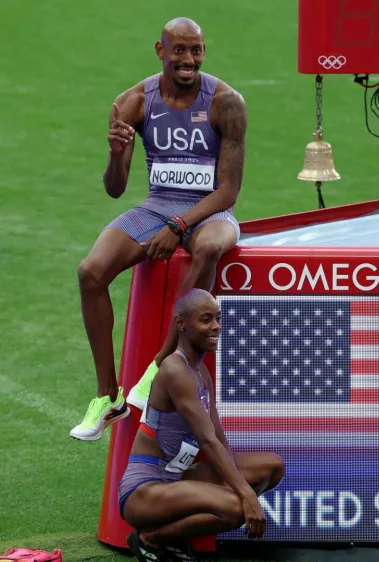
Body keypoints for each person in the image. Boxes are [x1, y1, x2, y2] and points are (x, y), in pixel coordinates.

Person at [72, 17, 246, 441]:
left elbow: (228, 192)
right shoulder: (133, 102)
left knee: (207, 249)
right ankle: (106, 395)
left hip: (209, 214)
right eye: (179, 51)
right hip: (156, 207)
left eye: (197, 50)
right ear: (160, 50)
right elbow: (115, 189)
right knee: (90, 273)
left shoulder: (227, 103)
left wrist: (179, 224)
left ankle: (158, 366)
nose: (189, 60)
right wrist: (116, 155)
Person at [118, 288, 284, 561]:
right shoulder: (174, 370)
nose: (216, 326)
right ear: (181, 324)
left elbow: (218, 438)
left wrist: (238, 486)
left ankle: (173, 536)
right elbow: (206, 439)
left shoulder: (201, 372)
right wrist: (247, 497)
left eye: (218, 318)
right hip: (145, 490)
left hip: (178, 479)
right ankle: (150, 539)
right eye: (206, 319)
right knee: (234, 509)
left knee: (271, 467)